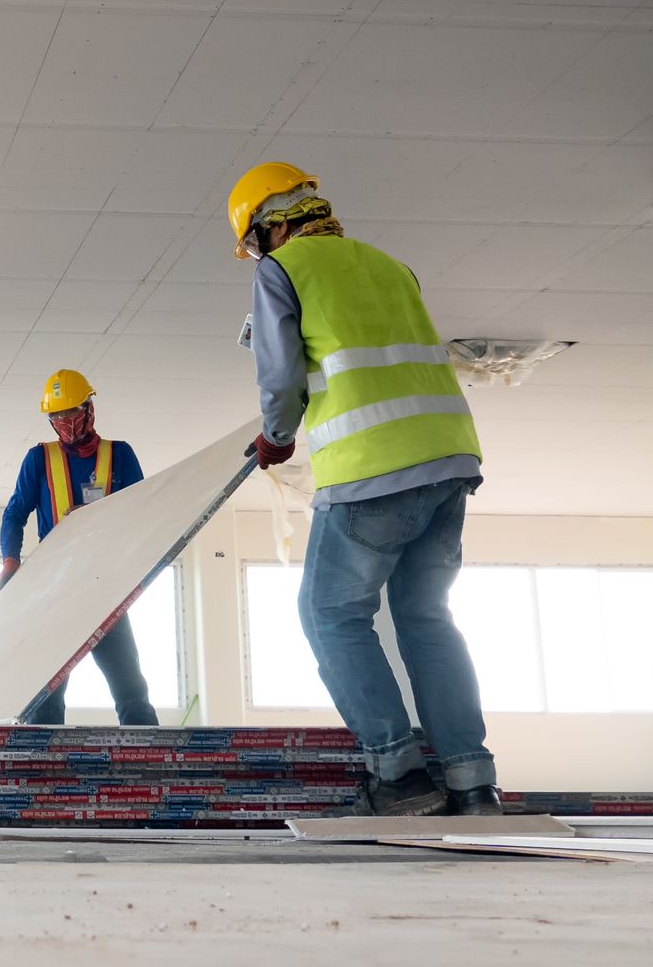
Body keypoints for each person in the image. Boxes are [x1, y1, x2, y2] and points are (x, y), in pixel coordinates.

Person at [229, 162, 500, 817]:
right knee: (427, 617)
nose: (256, 255)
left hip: (372, 465)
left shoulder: (282, 270)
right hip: (448, 458)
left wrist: (276, 435)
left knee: (329, 614)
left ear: (273, 225)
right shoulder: (388, 264)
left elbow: (280, 375)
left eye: (255, 242)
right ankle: (472, 782)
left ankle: (397, 774)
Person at [0, 369, 158, 726]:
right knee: (46, 697)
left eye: (72, 414)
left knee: (130, 688)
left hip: (103, 588)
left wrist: (100, 519)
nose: (66, 424)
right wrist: (11, 560)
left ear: (89, 409)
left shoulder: (120, 455)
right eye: (57, 417)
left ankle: (151, 769)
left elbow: (144, 513)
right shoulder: (39, 459)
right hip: (54, 591)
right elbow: (14, 515)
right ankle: (42, 776)